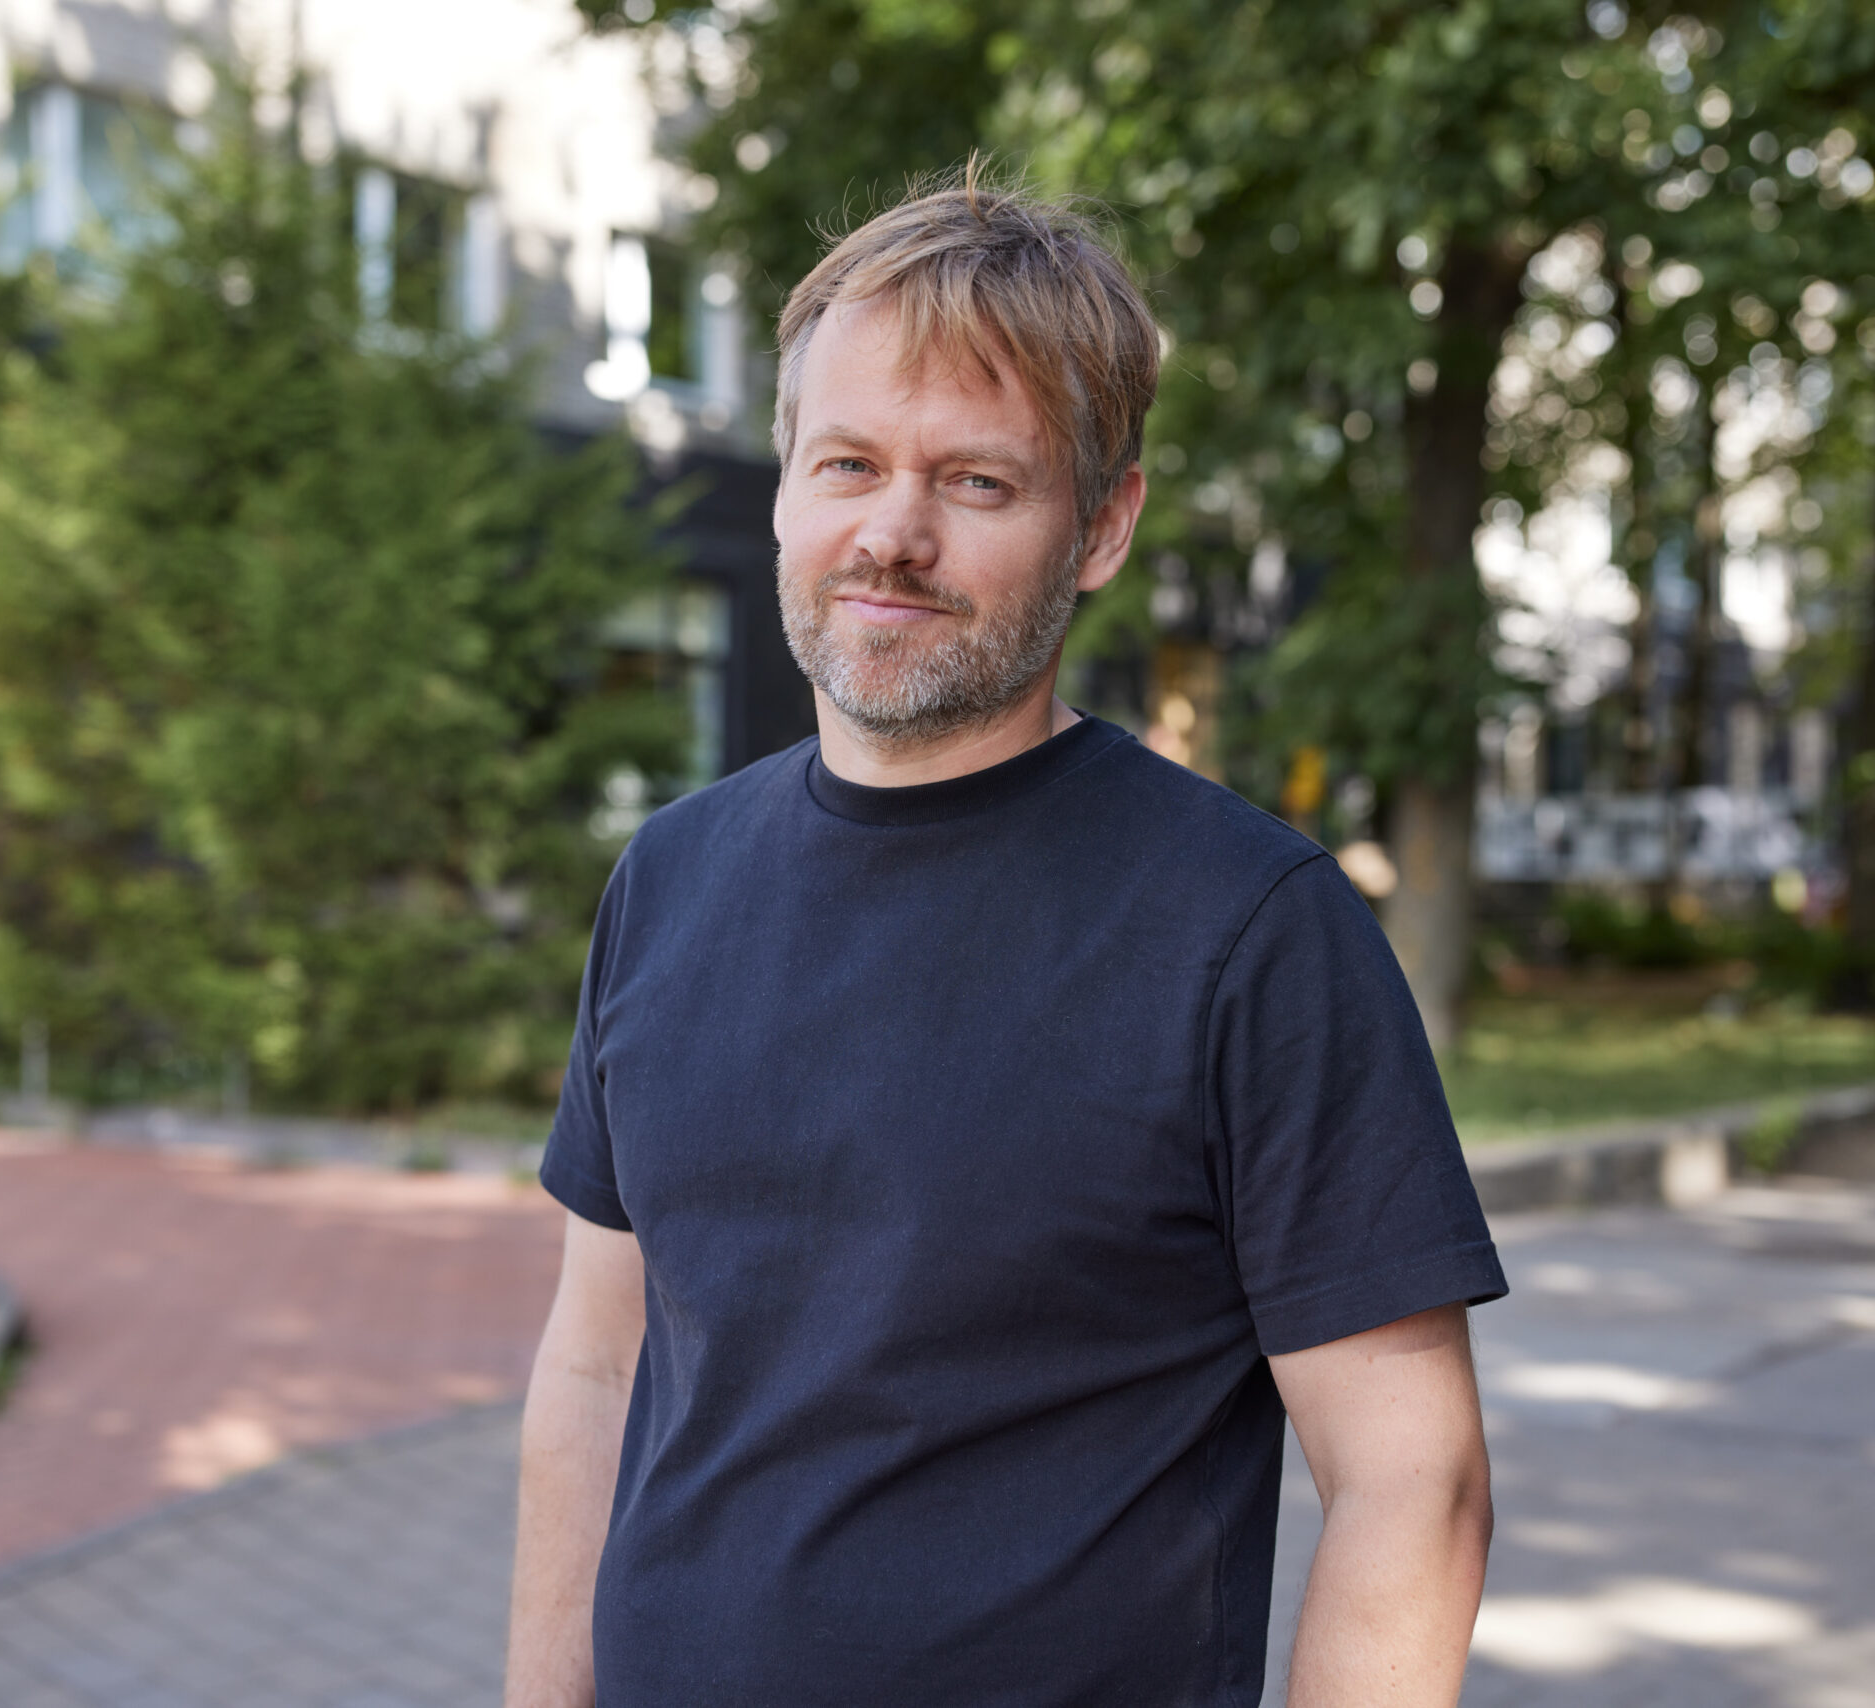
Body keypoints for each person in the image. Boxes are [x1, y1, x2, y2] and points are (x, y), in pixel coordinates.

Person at [504, 174, 1507, 1708]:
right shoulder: (670, 877)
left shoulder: (1249, 932)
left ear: (1100, 527)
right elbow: (596, 1364)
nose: (891, 534)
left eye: (976, 483)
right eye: (848, 463)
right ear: (785, 485)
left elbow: (1412, 1484)